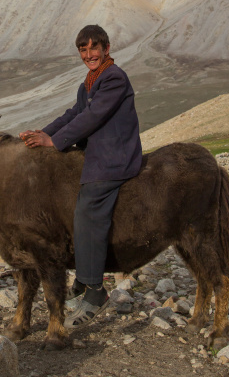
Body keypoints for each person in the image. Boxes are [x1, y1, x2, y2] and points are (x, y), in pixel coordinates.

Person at [19, 24, 142, 328]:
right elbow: (74, 113)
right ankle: (83, 282)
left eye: (94, 48)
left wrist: (54, 142)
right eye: (83, 49)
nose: (89, 54)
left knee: (89, 210)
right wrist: (44, 132)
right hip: (98, 153)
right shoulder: (90, 81)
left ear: (107, 48)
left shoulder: (113, 78)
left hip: (115, 156)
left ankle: (95, 290)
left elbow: (93, 116)